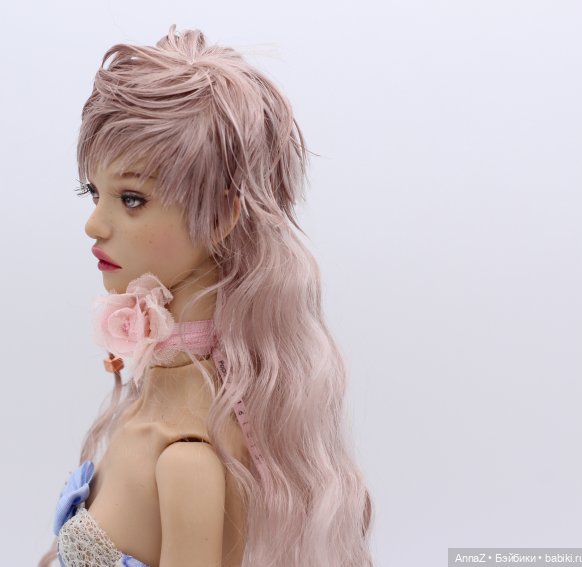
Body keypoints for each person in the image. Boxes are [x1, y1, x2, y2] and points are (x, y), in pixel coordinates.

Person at [39, 24, 373, 567]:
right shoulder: (148, 412)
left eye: (131, 198)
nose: (93, 224)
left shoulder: (187, 458)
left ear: (220, 215)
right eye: (93, 192)